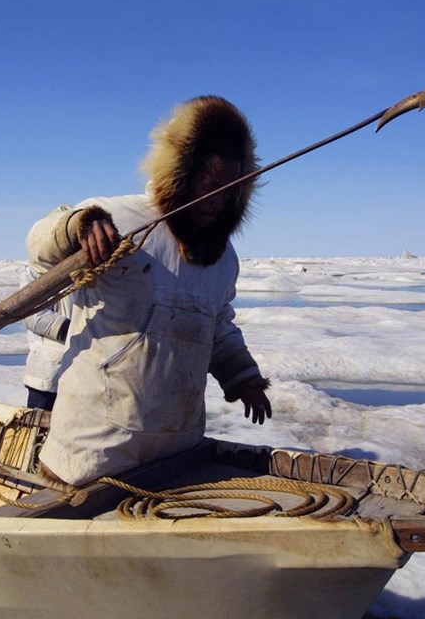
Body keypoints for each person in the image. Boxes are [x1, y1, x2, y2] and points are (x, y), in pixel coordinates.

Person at [26, 95, 271, 486]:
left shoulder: (222, 257)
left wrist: (242, 377)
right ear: (183, 173)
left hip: (176, 453)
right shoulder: (119, 219)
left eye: (231, 190)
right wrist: (77, 228)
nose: (219, 201)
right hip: (92, 451)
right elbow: (39, 249)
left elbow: (217, 323)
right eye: (210, 186)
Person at [20, 260, 71, 410]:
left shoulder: (97, 268)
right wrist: (73, 330)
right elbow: (31, 315)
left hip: (86, 374)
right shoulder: (35, 270)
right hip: (47, 373)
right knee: (39, 426)